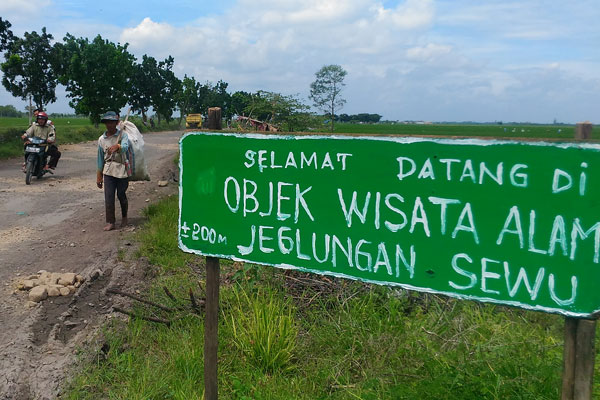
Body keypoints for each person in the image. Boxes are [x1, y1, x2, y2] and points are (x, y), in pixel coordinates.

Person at [97, 111, 130, 231]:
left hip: (121, 169)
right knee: (109, 196)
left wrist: (119, 147)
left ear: (116, 123)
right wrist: (99, 176)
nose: (109, 125)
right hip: (108, 170)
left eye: (112, 122)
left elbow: (126, 147)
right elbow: (100, 159)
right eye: (107, 123)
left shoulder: (122, 136)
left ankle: (125, 217)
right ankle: (110, 221)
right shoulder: (102, 139)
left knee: (121, 194)